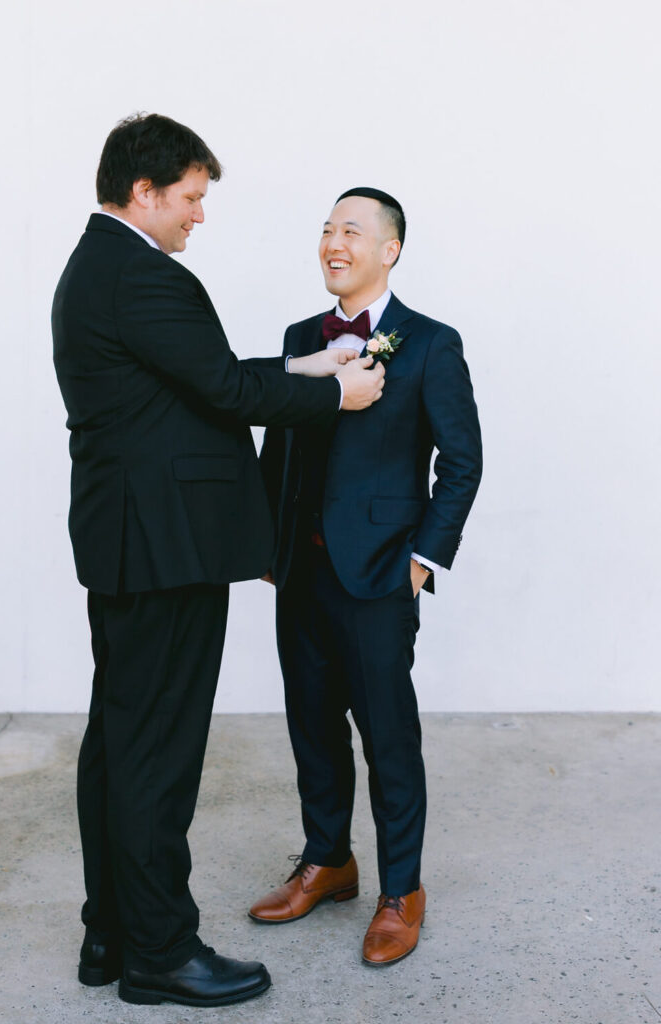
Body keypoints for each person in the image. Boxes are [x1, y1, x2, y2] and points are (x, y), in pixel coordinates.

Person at [51, 117, 385, 1008]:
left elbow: (195, 376)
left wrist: (307, 362)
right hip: (165, 545)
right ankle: (160, 950)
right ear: (144, 192)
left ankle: (111, 928)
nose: (200, 216)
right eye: (192, 198)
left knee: (120, 745)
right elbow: (229, 393)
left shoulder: (102, 269)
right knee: (158, 753)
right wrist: (337, 394)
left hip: (131, 539)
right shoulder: (142, 273)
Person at [250, 187, 482, 966]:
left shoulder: (430, 343)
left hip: (381, 575)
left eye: (351, 230)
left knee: (388, 737)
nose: (332, 243)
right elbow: (279, 452)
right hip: (301, 575)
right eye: (324, 230)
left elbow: (462, 460)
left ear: (390, 249)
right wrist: (267, 551)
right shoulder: (298, 338)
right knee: (310, 724)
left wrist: (423, 561)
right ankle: (330, 861)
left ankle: (402, 890)